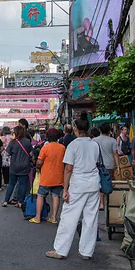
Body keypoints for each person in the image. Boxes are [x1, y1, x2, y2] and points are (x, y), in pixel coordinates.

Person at [46, 111, 101, 260]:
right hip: (94, 183)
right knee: (90, 218)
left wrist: (65, 189)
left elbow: (68, 169)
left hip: (78, 184)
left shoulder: (73, 145)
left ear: (76, 128)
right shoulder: (95, 144)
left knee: (69, 217)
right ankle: (86, 251)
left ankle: (61, 249)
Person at [31, 128, 65, 224]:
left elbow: (39, 162)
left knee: (40, 195)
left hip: (46, 177)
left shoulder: (45, 148)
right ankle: (54, 217)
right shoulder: (62, 148)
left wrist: (38, 167)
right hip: (58, 176)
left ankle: (37, 217)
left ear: (47, 136)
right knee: (56, 196)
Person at [1, 125, 33, 209]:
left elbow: (7, 153)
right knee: (22, 184)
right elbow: (31, 154)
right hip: (25, 166)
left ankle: (5, 201)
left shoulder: (13, 142)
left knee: (11, 184)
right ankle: (20, 202)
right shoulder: (27, 142)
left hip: (14, 166)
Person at [92, 123, 119, 210]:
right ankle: (110, 202)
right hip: (110, 165)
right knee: (108, 182)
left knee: (100, 183)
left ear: (99, 130)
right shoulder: (113, 141)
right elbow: (115, 154)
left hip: (98, 165)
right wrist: (118, 166)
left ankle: (101, 203)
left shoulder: (94, 140)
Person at [0, 126, 12, 191]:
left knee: (4, 168)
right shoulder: (12, 137)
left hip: (4, 154)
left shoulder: (2, 138)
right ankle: (11, 181)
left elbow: (2, 146)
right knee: (10, 168)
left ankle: (5, 181)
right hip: (11, 154)